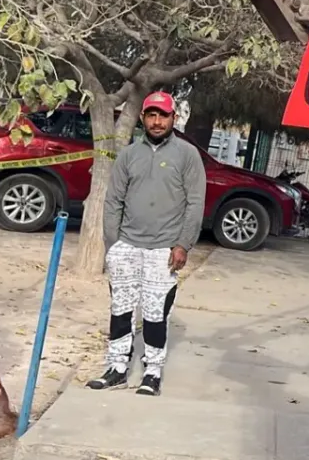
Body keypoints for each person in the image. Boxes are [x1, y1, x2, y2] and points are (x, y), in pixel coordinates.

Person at [86, 91, 206, 396]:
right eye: (151, 115)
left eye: (163, 115)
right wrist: (113, 244)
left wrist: (183, 244)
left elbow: (195, 203)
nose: (157, 121)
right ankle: (117, 368)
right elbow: (113, 200)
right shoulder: (128, 155)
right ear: (142, 117)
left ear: (173, 118)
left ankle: (152, 371)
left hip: (164, 249)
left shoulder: (187, 155)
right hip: (127, 245)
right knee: (120, 310)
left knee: (155, 314)